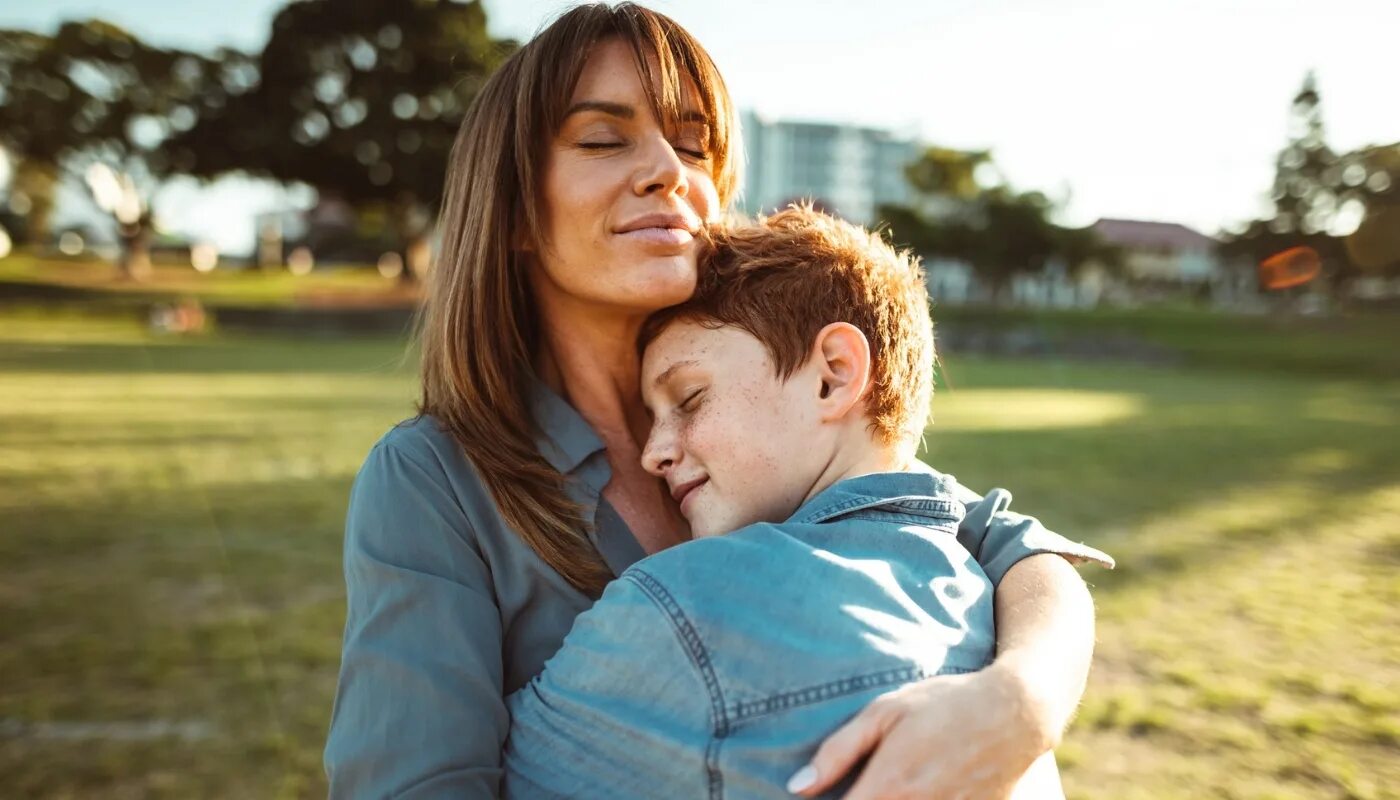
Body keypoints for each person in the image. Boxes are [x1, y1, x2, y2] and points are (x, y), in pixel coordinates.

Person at [324, 4, 1112, 798]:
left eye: (694, 144)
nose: (669, 166)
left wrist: (1019, 704)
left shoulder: (769, 398)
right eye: (603, 138)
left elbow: (1004, 542)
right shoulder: (432, 478)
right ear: (516, 208)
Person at [502, 206, 1105, 799]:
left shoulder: (688, 601)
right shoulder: (979, 580)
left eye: (688, 398)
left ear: (834, 375)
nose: (651, 454)